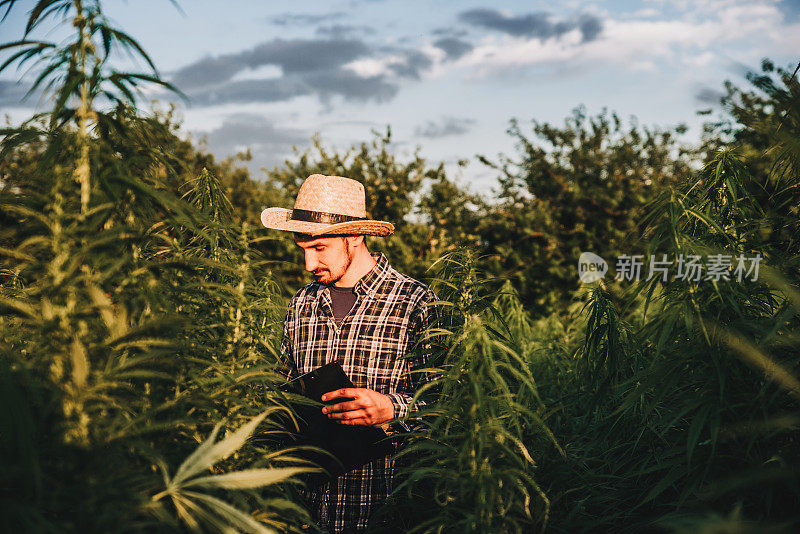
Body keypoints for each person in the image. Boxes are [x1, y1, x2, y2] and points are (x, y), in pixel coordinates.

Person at [260, 174, 437, 533]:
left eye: (319, 248)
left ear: (355, 236)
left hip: (385, 513)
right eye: (303, 249)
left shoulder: (415, 303)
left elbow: (450, 406)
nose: (308, 264)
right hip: (306, 515)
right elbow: (283, 395)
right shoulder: (301, 304)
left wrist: (392, 408)